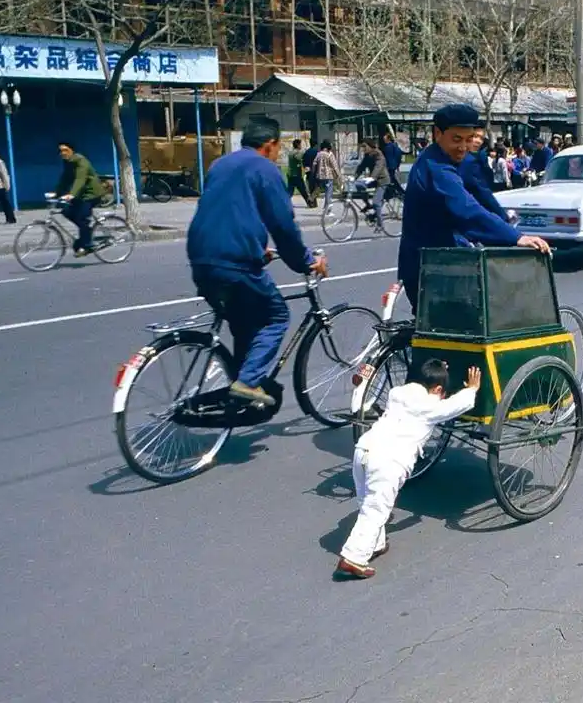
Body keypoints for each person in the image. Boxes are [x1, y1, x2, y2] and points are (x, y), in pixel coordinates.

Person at [187, 117, 328, 407]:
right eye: (278, 147)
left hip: (201, 258)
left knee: (245, 324)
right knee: (276, 316)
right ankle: (247, 383)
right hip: (235, 263)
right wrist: (306, 262)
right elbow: (283, 227)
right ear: (270, 144)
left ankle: (242, 394)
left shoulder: (220, 165)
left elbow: (226, 211)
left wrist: (255, 247)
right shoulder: (265, 168)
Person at [334, 361, 481, 580]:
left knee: (368, 502)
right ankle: (353, 558)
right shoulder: (430, 407)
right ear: (438, 390)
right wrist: (471, 389)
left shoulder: (397, 393)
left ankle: (375, 543)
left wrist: (437, 369)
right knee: (376, 509)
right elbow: (455, 406)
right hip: (388, 461)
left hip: (363, 450)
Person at [397, 104, 550, 313]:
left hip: (437, 260)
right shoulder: (437, 169)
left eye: (469, 139)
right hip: (432, 266)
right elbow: (467, 209)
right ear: (438, 133)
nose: (463, 146)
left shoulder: (439, 158)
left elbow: (478, 197)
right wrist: (515, 237)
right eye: (457, 139)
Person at [55, 142, 104, 255]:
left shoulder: (81, 161)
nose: (63, 153)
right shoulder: (67, 162)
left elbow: (80, 180)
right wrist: (57, 193)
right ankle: (85, 233)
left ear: (72, 150)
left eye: (65, 150)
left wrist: (71, 194)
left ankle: (87, 244)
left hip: (91, 194)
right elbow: (65, 179)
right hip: (81, 194)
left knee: (82, 218)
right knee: (66, 212)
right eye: (61, 151)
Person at [354, 139, 390, 226]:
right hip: (373, 179)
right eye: (362, 147)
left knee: (376, 202)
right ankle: (367, 204)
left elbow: (378, 167)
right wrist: (354, 177)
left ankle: (380, 225)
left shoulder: (378, 154)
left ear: (370, 146)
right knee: (358, 185)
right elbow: (361, 167)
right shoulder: (367, 155)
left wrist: (372, 177)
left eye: (364, 146)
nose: (363, 148)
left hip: (382, 180)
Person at [286, 139, 316, 208]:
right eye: (300, 144)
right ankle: (310, 203)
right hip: (296, 175)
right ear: (298, 145)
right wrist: (305, 152)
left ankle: (284, 203)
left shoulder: (290, 152)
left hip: (290, 174)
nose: (301, 146)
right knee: (303, 190)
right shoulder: (296, 153)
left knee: (290, 191)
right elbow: (299, 158)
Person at [311, 141, 341, 209]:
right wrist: (338, 175)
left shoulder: (319, 154)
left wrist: (313, 172)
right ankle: (327, 207)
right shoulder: (329, 154)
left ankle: (312, 198)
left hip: (320, 176)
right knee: (328, 191)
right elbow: (334, 165)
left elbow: (314, 163)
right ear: (328, 147)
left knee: (319, 188)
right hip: (328, 176)